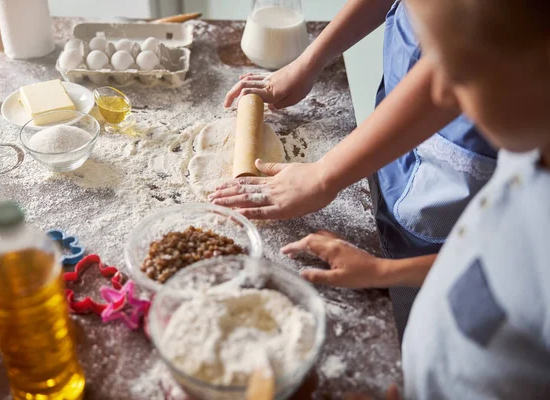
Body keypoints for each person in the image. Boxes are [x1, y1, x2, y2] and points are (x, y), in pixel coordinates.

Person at [212, 0, 497, 340]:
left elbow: (460, 66)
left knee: (429, 318)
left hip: (455, 171)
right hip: (396, 135)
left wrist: (325, 175)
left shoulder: (525, 179)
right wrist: (309, 62)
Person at [308, 0, 550, 398]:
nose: (436, 92)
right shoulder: (526, 150)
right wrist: (382, 272)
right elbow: (488, 268)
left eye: (457, 74)